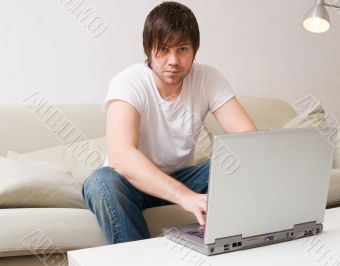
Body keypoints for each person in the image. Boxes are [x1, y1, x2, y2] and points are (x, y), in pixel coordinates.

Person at [82, 1, 257, 244]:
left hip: (181, 176)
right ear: (148, 50)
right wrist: (185, 197)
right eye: (163, 49)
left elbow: (249, 139)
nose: (173, 60)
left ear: (194, 50)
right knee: (100, 181)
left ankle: (248, 245)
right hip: (129, 183)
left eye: (182, 49)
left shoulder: (208, 78)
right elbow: (121, 156)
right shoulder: (128, 82)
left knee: (240, 161)